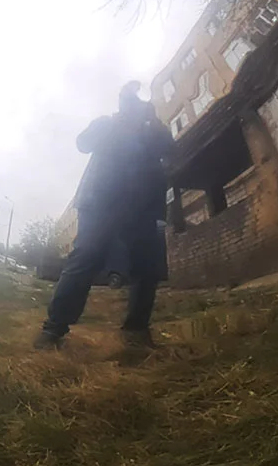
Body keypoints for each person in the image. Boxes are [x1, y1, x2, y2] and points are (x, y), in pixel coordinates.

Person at [35, 82, 174, 351]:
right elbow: (82, 143)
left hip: (142, 207)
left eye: (140, 107)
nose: (135, 111)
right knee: (86, 256)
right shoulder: (108, 124)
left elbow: (170, 153)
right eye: (130, 104)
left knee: (148, 267)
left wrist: (155, 124)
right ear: (122, 105)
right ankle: (53, 329)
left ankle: (136, 331)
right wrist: (111, 123)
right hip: (100, 201)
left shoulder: (153, 132)